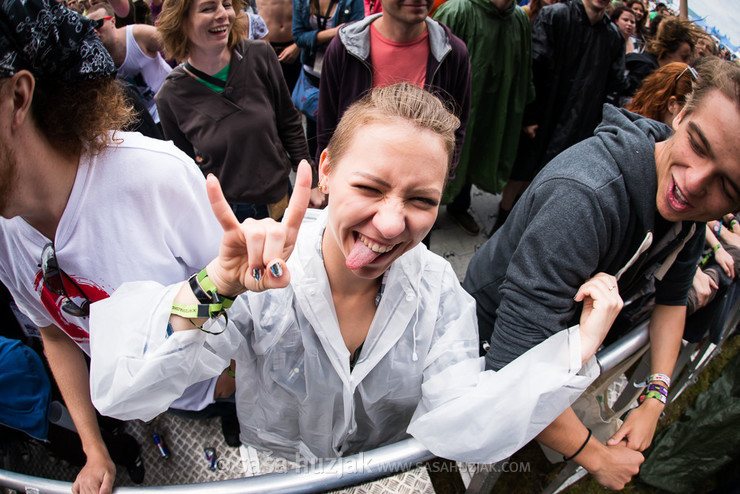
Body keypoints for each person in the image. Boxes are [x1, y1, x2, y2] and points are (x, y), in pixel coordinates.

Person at [90, 83, 623, 466]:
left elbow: (465, 421)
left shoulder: (439, 294)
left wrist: (575, 350)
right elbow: (126, 392)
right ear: (326, 169)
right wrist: (215, 286)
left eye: (421, 200)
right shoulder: (264, 274)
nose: (391, 224)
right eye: (370, 188)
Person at [464, 58, 740, 489]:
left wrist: (655, 396)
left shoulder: (686, 213)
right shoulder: (586, 197)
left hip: (551, 358)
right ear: (679, 114)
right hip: (480, 343)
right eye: (698, 146)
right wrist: (595, 456)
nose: (695, 182)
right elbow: (512, 371)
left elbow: (672, 299)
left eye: (727, 184)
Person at [0, 0, 241, 491]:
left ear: (18, 97)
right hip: (149, 414)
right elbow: (54, 332)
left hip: (226, 395)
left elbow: (243, 293)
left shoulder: (153, 175)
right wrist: (94, 449)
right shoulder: (6, 236)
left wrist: (232, 384)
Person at [155, 0, 319, 223]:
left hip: (279, 199)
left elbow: (289, 122)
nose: (223, 14)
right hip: (227, 214)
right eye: (208, 8)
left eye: (227, 4)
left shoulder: (260, 55)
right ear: (181, 22)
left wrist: (310, 182)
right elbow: (187, 169)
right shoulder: (171, 95)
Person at [316, 0, 470, 177]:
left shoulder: (453, 53)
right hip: (355, 178)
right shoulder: (345, 47)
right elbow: (327, 124)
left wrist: (440, 177)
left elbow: (457, 126)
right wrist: (326, 178)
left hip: (416, 182)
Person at [433, 0, 533, 236]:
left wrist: (526, 112)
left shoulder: (518, 19)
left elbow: (525, 67)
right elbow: (432, 63)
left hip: (494, 107)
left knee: (475, 153)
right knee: (444, 154)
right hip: (451, 109)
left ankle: (459, 207)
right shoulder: (457, 11)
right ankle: (423, 208)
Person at [513, 0, 627, 191]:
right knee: (521, 175)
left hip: (579, 125)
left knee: (553, 182)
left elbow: (614, 88)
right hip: (542, 116)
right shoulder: (554, 16)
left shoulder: (613, 36)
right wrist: (530, 116)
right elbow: (534, 67)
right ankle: (505, 217)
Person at [291, 0, 363, 159]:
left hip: (341, 78)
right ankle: (319, 170)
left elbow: (356, 34)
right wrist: (334, 32)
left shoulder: (352, 2)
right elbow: (298, 36)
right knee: (315, 132)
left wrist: (322, 37)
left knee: (344, 127)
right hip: (312, 76)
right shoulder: (302, 2)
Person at [86, 2, 171, 126]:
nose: (94, 30)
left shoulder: (137, 34)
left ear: (113, 21)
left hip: (170, 104)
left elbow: (176, 45)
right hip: (146, 123)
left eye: (98, 24)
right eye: (89, 27)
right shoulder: (97, 62)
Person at [624, 16, 695, 96]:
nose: (687, 64)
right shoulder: (645, 68)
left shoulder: (651, 67)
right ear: (668, 51)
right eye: (684, 57)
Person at [255, 0, 303, 91]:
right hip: (263, 47)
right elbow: (241, 13)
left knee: (293, 96)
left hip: (295, 48)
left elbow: (312, 13)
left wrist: (298, 45)